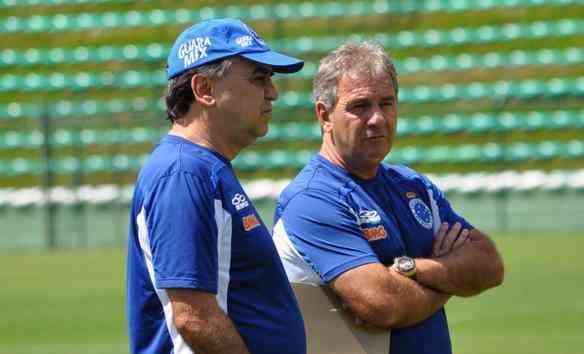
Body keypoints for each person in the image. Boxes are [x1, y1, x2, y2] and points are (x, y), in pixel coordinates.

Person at [272, 41, 505, 354]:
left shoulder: (413, 185)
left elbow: (489, 265)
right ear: (324, 115)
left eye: (386, 103)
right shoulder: (311, 200)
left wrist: (414, 269)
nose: (377, 118)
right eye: (360, 106)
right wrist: (451, 278)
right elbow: (382, 304)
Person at [126, 18, 306, 354]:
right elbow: (194, 317)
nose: (273, 92)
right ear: (204, 89)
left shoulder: (199, 167)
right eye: (259, 78)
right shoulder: (183, 173)